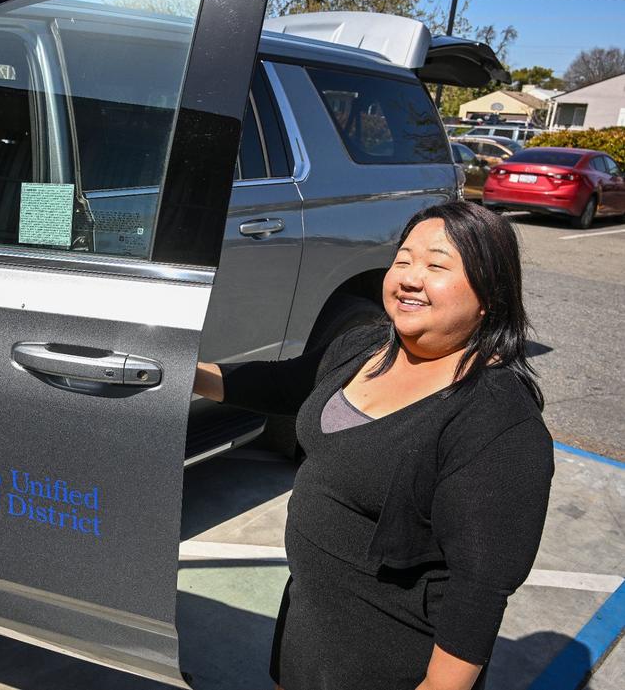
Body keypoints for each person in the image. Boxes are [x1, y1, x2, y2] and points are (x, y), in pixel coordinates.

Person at [193, 201, 554, 690]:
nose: (409, 277)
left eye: (436, 265)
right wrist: (186, 376)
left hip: (386, 656)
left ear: (490, 293)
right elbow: (285, 384)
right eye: (403, 259)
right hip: (310, 621)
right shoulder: (366, 346)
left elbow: (479, 586)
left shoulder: (497, 419)